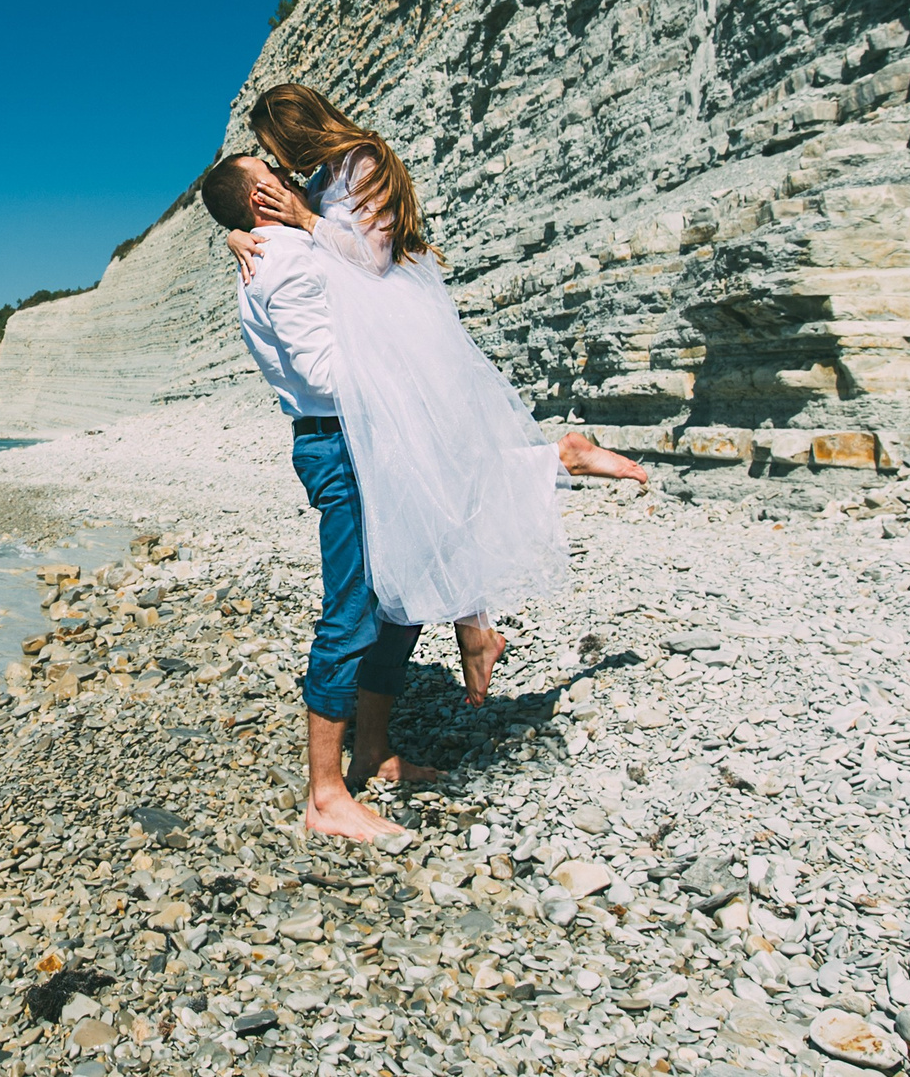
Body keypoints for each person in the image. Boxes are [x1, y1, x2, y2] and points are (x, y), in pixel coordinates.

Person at [227, 84, 649, 705]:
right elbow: (276, 229)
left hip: (402, 340)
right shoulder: (318, 181)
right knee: (437, 485)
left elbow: (373, 259)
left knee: (440, 480)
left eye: (275, 151)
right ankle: (486, 605)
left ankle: (541, 497)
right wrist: (238, 234)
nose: (280, 169)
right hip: (375, 343)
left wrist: (307, 221)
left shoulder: (365, 163)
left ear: (296, 133)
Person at [198, 152, 427, 845]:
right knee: (351, 608)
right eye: (270, 170)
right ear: (262, 195)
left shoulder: (284, 243)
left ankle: (372, 749)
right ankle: (325, 795)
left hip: (361, 434)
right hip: (340, 439)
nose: (288, 171)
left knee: (399, 597)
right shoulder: (283, 261)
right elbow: (321, 369)